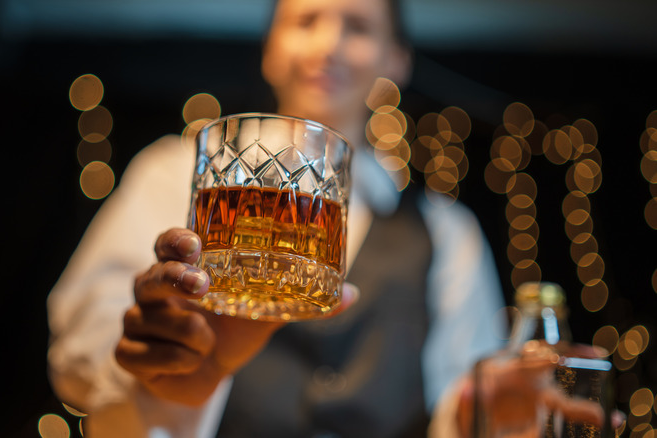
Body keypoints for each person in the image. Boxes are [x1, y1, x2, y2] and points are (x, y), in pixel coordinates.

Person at [46, 0, 508, 436]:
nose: (329, 46)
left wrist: (492, 414)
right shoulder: (177, 171)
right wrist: (159, 371)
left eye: (359, 27)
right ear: (270, 50)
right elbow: (80, 347)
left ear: (397, 60)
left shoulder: (448, 230)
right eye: (305, 21)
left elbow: (462, 390)